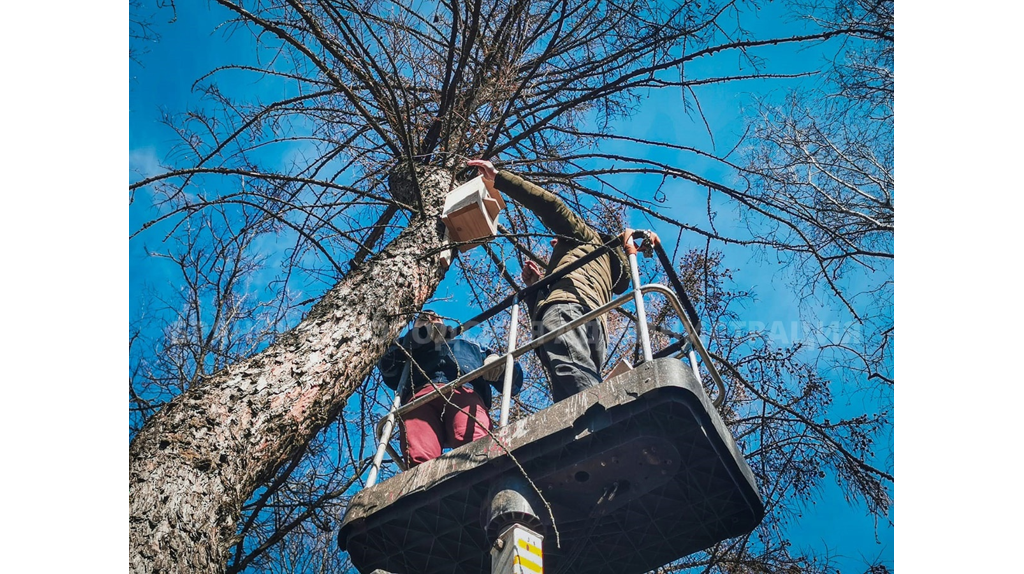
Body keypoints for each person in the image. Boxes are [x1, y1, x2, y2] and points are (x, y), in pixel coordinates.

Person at [467, 159, 660, 402]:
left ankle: (611, 424)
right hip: (596, 328)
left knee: (580, 390)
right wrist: (536, 286)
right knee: (573, 393)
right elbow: (549, 313)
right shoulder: (606, 275)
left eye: (559, 240)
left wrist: (500, 178)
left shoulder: (586, 238)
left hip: (568, 310)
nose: (552, 243)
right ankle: (595, 431)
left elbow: (552, 206)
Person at [378, 310, 524, 467]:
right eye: (423, 319)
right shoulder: (405, 350)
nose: (430, 321)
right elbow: (387, 367)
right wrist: (417, 338)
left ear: (443, 322)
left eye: (435, 318)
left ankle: (485, 477)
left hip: (465, 390)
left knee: (475, 443)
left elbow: (513, 384)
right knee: (419, 456)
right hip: (419, 396)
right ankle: (423, 490)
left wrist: (501, 363)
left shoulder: (471, 347)